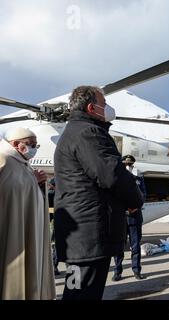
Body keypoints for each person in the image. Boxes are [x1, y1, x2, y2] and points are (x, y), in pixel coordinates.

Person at [54, 86, 144, 300]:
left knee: (76, 292)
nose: (108, 109)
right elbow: (112, 175)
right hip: (90, 234)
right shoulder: (89, 132)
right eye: (104, 104)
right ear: (92, 108)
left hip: (80, 237)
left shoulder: (73, 131)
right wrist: (135, 200)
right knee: (84, 294)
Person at [0, 127, 55, 299]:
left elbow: (25, 188)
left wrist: (39, 183)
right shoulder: (4, 158)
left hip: (28, 227)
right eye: (31, 144)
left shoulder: (22, 162)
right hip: (11, 227)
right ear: (16, 144)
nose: (34, 149)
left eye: (36, 145)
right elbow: (10, 190)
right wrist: (33, 180)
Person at [113, 154, 147, 281]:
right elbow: (114, 195)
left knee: (135, 245)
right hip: (121, 217)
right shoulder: (116, 177)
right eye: (125, 164)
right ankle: (117, 271)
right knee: (119, 246)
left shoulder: (139, 178)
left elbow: (143, 195)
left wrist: (136, 206)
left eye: (130, 164)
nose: (128, 166)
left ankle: (136, 270)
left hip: (135, 216)